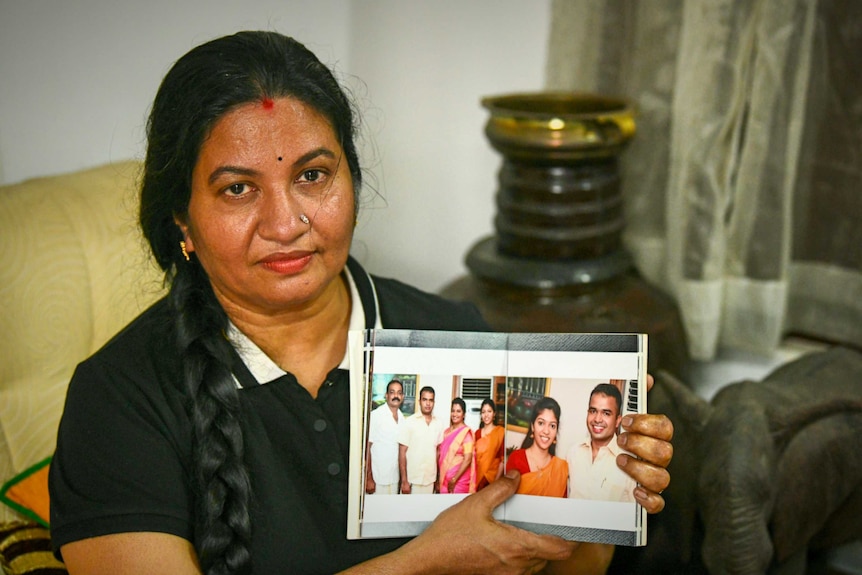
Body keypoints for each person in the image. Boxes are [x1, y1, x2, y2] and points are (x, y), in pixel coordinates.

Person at [47, 30, 673, 575]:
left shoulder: (454, 334)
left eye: (313, 176)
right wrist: (424, 563)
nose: (285, 222)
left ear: (352, 179)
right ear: (181, 220)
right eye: (238, 189)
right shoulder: (120, 396)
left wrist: (608, 490)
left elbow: (568, 571)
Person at [566, 384, 637, 502]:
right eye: (593, 411)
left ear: (617, 421)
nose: (597, 419)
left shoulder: (628, 463)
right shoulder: (573, 453)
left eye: (606, 413)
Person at [505, 397, 569, 498]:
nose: (546, 431)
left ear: (556, 431)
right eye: (541, 423)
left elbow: (561, 508)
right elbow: (507, 502)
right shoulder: (516, 459)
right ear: (532, 427)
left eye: (552, 426)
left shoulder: (561, 469)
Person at [398, 386, 444, 494]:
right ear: (419, 401)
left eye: (430, 400)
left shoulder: (439, 423)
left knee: (427, 511)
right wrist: (404, 481)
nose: (428, 403)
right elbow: (402, 453)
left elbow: (438, 453)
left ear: (434, 402)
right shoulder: (409, 422)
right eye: (424, 400)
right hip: (412, 481)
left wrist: (437, 479)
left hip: (430, 481)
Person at [365, 379, 405, 494]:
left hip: (394, 478)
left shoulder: (402, 419)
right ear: (386, 395)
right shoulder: (376, 415)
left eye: (399, 392)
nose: (395, 396)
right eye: (392, 392)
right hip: (377, 478)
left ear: (402, 396)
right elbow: (367, 447)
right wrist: (368, 478)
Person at [437, 398, 476, 494]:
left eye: (458, 411)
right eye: (453, 411)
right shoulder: (446, 432)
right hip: (444, 481)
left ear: (464, 415)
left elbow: (468, 459)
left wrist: (454, 479)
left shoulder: (466, 434)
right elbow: (441, 456)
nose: (455, 414)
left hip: (459, 483)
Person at [474, 398, 505, 490]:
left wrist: (495, 482)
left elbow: (502, 460)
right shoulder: (477, 433)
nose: (486, 415)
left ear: (494, 414)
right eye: (483, 412)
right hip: (477, 479)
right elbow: (473, 459)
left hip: (492, 479)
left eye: (489, 411)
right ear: (481, 415)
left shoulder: (500, 432)